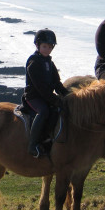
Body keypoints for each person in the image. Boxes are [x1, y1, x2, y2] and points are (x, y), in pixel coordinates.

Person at [22, 28, 68, 158]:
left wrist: (67, 95)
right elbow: (40, 87)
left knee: (58, 110)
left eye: (49, 47)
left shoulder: (49, 62)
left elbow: (57, 83)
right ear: (38, 45)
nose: (47, 49)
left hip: (45, 95)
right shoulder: (34, 62)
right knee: (43, 111)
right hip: (34, 96)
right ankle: (33, 145)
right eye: (44, 46)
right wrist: (53, 99)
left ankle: (48, 139)